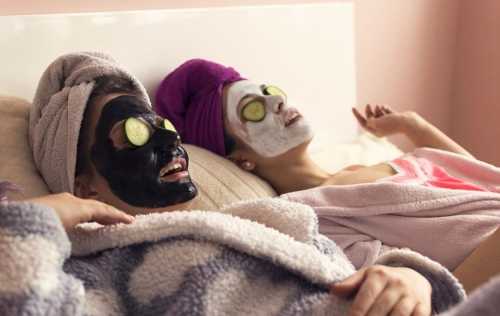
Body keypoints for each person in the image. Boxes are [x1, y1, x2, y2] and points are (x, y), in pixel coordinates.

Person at [0, 52, 467, 316]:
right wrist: (33, 223)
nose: (167, 141)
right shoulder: (103, 268)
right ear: (83, 187)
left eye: (162, 125)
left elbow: (371, 270)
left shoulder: (268, 218)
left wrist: (410, 277)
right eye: (134, 133)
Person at [154, 58, 500, 292]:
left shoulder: (368, 166)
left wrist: (414, 126)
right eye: (253, 109)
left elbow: (478, 182)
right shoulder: (313, 214)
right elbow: (434, 285)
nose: (275, 102)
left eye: (269, 92)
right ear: (242, 161)